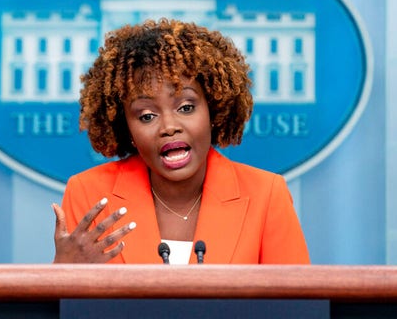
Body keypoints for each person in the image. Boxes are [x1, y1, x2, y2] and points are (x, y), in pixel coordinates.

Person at [51, 18, 310, 264]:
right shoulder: (89, 193)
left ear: (212, 110)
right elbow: (73, 307)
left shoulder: (266, 195)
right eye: (147, 115)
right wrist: (63, 271)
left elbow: (298, 306)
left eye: (186, 108)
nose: (169, 127)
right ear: (126, 128)